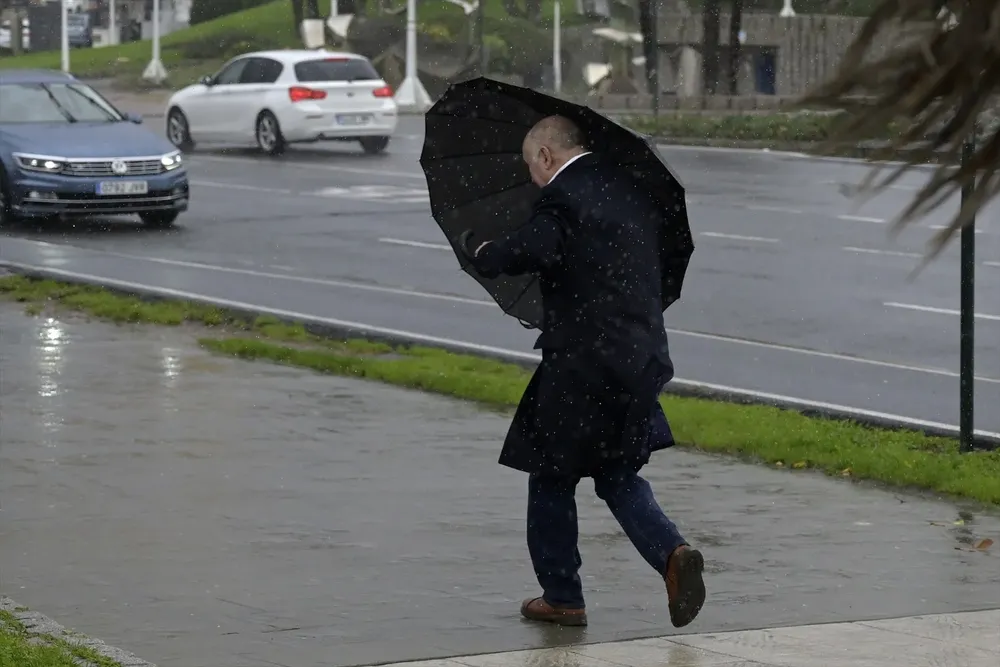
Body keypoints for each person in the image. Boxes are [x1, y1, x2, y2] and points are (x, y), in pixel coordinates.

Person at [456, 115, 705, 629]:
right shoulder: (630, 192)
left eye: (531, 166)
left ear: (546, 156)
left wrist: (483, 252)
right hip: (640, 359)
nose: (532, 178)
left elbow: (537, 247)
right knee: (616, 472)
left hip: (581, 366)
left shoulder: (564, 196)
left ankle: (562, 596)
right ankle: (672, 553)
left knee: (550, 476)